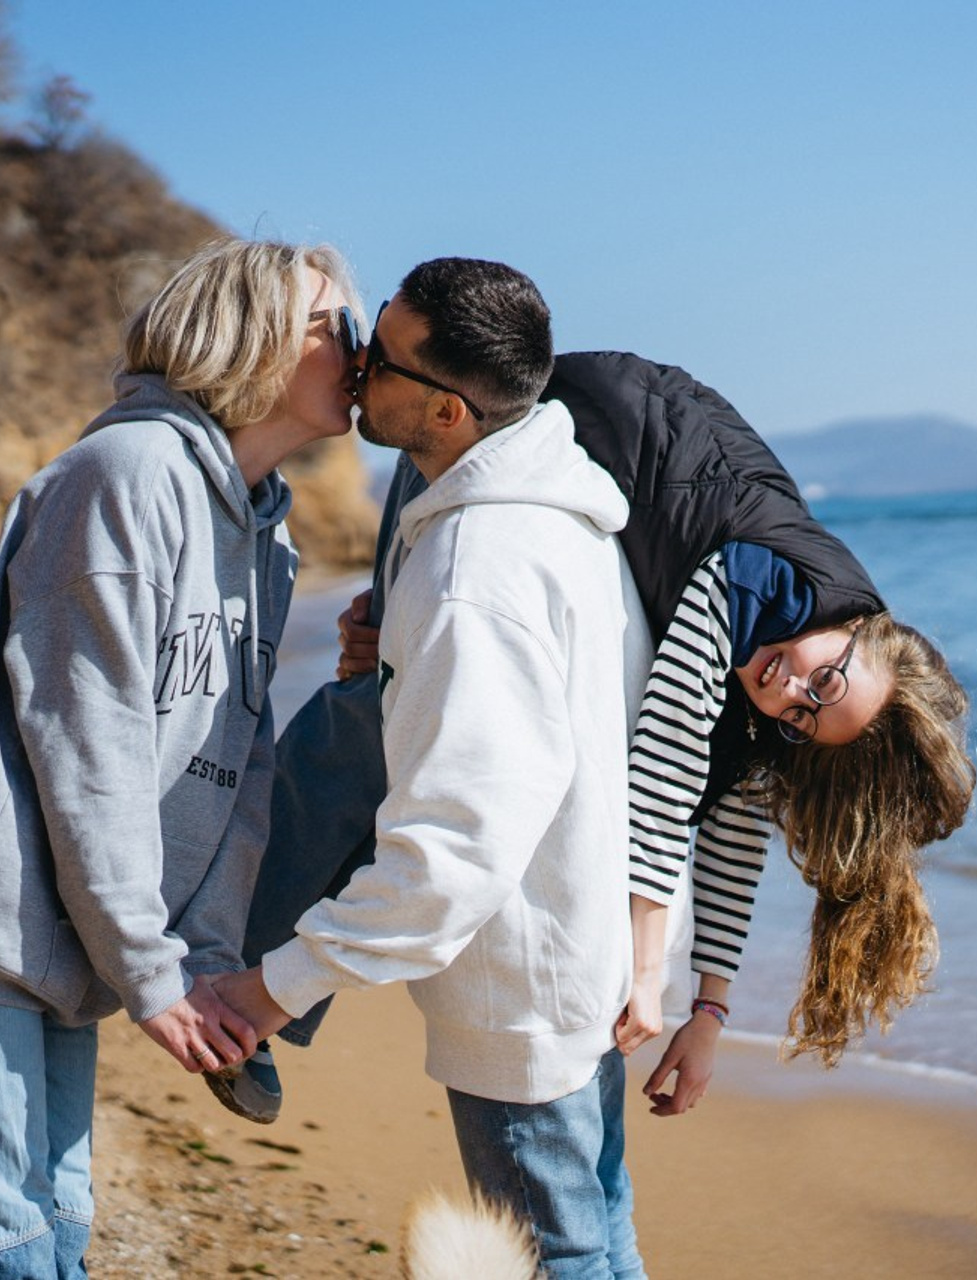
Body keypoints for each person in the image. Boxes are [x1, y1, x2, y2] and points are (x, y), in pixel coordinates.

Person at [228, 350, 974, 1126]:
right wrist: (645, 973)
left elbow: (730, 832)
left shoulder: (788, 660)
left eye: (803, 721)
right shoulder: (765, 582)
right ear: (861, 631)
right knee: (374, 715)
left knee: (384, 685)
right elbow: (665, 769)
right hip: (507, 420)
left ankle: (257, 980)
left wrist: (709, 1011)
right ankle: (240, 974)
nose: (789, 694)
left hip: (580, 445)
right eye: (823, 684)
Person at [214, 258, 653, 1278]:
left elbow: (453, 845)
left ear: (447, 411)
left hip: (519, 995)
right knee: (597, 1241)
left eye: (382, 355)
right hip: (570, 965)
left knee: (566, 1256)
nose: (358, 364)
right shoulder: (565, 520)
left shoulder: (474, 569)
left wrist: (270, 989)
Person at [0, 236, 363, 1277]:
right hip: (11, 920)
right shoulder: (124, 476)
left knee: (60, 1217)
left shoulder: (265, 536)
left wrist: (202, 959)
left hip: (62, 943)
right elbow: (89, 744)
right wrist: (154, 973)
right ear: (247, 339)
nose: (357, 346)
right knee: (19, 1239)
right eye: (328, 325)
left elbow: (233, 771)